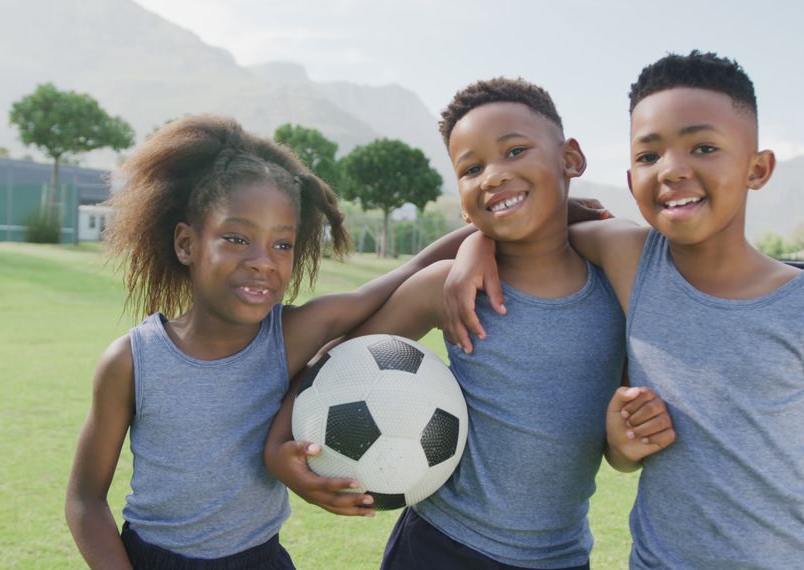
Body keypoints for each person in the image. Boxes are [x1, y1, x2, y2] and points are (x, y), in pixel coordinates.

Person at [445, 52, 804, 568]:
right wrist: (476, 243)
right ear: (632, 180)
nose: (673, 170)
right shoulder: (629, 258)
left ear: (757, 168)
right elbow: (528, 223)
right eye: (650, 156)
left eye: (703, 147)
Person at [265, 78, 676, 570]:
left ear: (571, 158)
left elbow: (620, 453)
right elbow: (338, 362)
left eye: (515, 150)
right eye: (472, 168)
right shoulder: (450, 285)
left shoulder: (618, 289)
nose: (494, 176)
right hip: (440, 548)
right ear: (462, 198)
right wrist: (278, 445)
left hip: (561, 556)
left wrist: (626, 445)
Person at [64, 115, 478, 569]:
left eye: (282, 245)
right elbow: (85, 500)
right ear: (187, 243)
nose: (263, 262)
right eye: (237, 238)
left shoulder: (292, 335)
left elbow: (411, 272)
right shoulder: (131, 361)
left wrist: (493, 235)